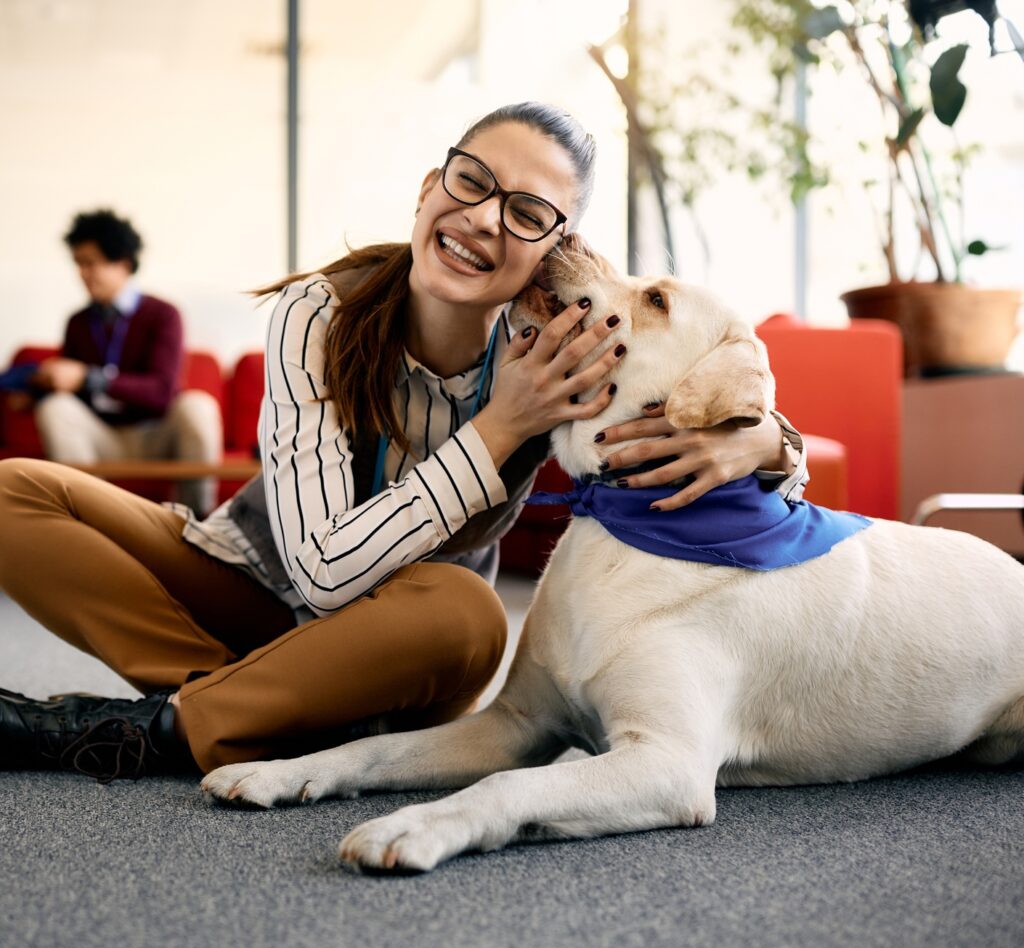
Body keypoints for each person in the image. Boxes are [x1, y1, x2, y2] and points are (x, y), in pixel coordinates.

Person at [0, 103, 807, 783]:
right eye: (471, 182)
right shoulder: (318, 313)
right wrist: (502, 426)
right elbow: (318, 575)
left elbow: (704, 381)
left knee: (469, 614)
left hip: (402, 642)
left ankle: (185, 723)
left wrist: (768, 444)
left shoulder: (561, 347)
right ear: (431, 189)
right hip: (248, 580)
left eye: (527, 213)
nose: (485, 218)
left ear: (553, 250)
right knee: (14, 492)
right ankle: (238, 712)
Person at [31, 209, 222, 516]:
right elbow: (73, 395)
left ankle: (199, 526)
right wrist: (38, 390)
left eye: (91, 263)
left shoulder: (163, 315)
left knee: (199, 406)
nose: (83, 273)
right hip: (102, 435)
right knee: (54, 408)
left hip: (156, 432)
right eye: (79, 264)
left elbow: (162, 392)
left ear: (123, 263)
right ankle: (90, 521)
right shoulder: (78, 322)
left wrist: (88, 377)